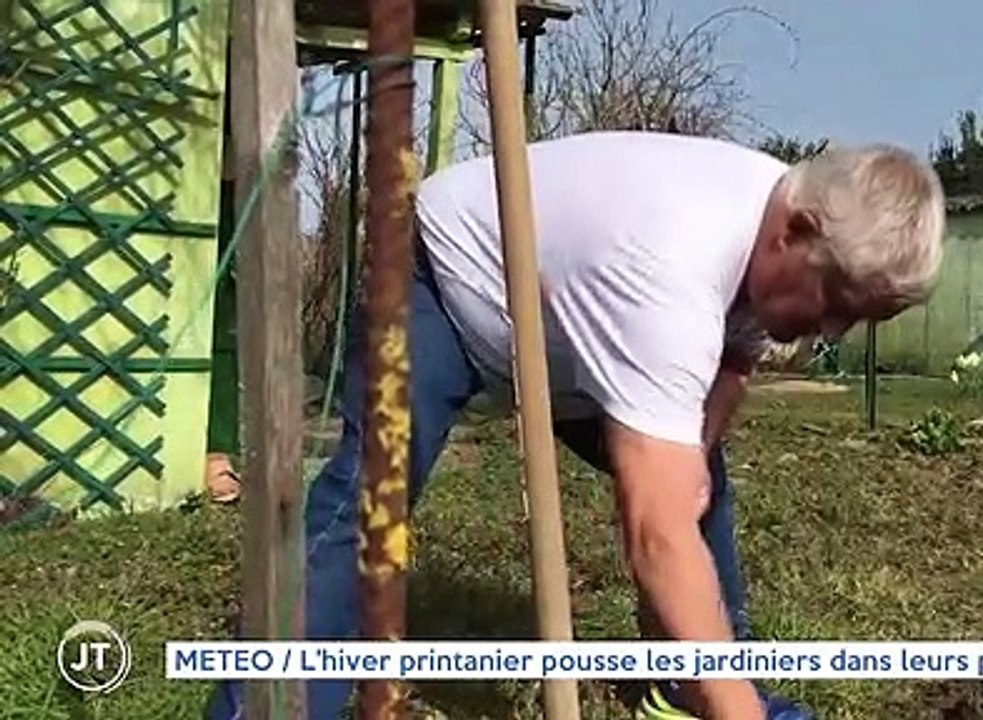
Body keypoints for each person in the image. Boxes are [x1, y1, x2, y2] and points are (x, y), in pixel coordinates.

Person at [207, 130, 945, 720]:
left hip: (574, 326)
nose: (833, 330)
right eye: (835, 302)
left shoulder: (778, 224)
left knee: (700, 489)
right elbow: (656, 534)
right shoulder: (674, 263)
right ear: (796, 232)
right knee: (373, 499)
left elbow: (732, 362)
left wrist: (690, 469)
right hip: (445, 274)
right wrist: (667, 522)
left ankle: (696, 688)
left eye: (856, 317)